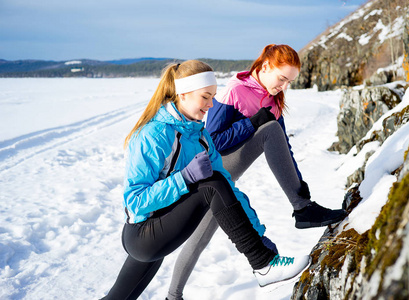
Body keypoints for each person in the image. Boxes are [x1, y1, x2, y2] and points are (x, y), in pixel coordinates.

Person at [100, 60, 311, 300]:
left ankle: (263, 257)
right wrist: (184, 177)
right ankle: (263, 264)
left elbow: (228, 188)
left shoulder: (200, 135)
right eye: (205, 97)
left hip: (161, 227)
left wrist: (259, 235)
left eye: (213, 97)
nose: (211, 105)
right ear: (183, 93)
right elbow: (135, 202)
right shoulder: (153, 135)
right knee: (212, 185)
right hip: (142, 235)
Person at [166, 45, 347, 300]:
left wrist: (299, 185)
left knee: (202, 234)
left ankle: (172, 296)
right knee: (269, 129)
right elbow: (214, 140)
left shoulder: (273, 102)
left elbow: (283, 145)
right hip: (211, 168)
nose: (284, 86)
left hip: (223, 178)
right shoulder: (235, 91)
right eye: (282, 78)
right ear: (264, 68)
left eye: (290, 82)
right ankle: (301, 210)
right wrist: (251, 124)